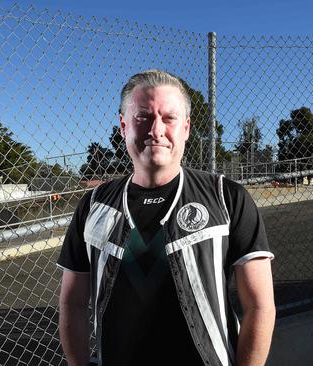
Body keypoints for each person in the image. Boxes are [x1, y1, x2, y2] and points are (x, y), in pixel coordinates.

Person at [57, 69, 275, 366]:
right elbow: (72, 302)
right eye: (142, 117)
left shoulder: (227, 198)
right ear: (123, 126)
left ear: (186, 128)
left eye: (168, 118)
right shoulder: (93, 204)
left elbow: (259, 306)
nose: (156, 130)